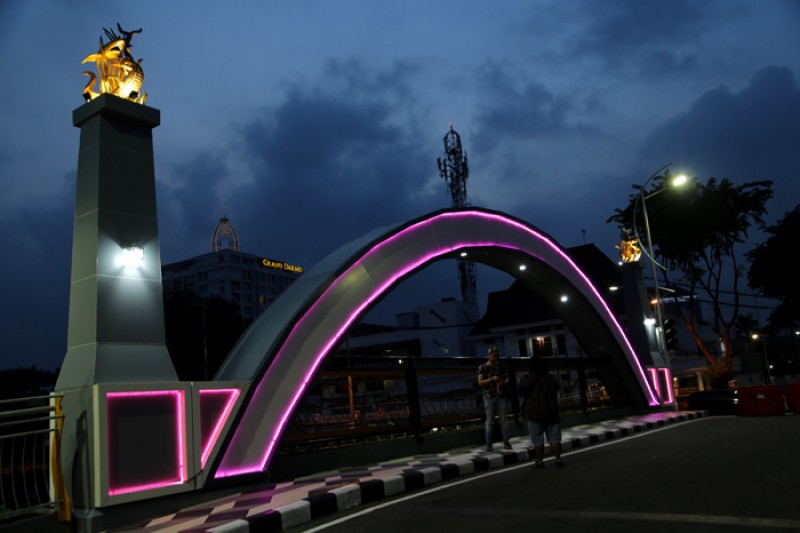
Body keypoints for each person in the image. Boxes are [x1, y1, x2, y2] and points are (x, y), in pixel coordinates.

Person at [517, 357, 564, 468]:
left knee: (537, 439)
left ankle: (540, 461)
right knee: (554, 438)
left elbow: (521, 392)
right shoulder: (551, 378)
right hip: (551, 411)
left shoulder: (526, 378)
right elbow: (556, 392)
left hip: (534, 413)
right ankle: (558, 459)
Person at [477, 345, 512, 451]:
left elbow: (507, 378)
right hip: (489, 396)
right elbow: (480, 382)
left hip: (500, 395)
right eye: (494, 356)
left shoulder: (501, 366)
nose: (496, 358)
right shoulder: (482, 367)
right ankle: (489, 445)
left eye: (497, 355)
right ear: (489, 355)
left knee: (504, 421)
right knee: (489, 421)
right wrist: (492, 379)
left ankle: (506, 442)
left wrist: (503, 382)